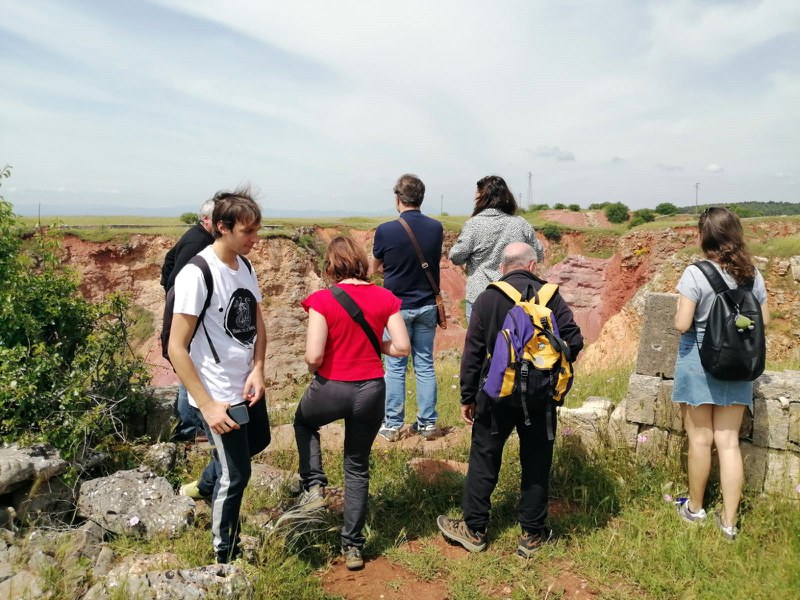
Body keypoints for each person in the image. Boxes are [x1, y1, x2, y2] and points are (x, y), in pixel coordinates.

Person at [436, 242, 583, 557]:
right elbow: (575, 340)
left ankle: (474, 529)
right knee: (537, 459)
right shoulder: (550, 296)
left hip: (496, 394)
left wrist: (467, 396)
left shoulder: (489, 298)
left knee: (484, 456)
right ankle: (532, 534)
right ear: (532, 266)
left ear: (503, 268)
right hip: (540, 398)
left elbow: (473, 351)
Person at [293, 236, 410, 570]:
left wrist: (314, 364)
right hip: (371, 390)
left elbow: (314, 356)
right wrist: (376, 346)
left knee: (304, 422)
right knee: (357, 466)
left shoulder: (322, 300)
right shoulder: (385, 297)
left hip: (332, 386)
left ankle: (314, 483)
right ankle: (353, 547)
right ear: (360, 262)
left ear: (330, 266)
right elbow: (401, 347)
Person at [169, 188, 270, 564]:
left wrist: (259, 368)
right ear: (223, 228)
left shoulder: (244, 267)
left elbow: (258, 321)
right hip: (219, 394)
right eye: (248, 232)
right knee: (237, 475)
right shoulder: (197, 272)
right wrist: (208, 406)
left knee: (258, 440)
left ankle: (203, 486)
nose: (255, 240)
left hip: (246, 384)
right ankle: (224, 556)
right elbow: (177, 347)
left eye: (257, 230)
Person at [672, 206, 769, 540]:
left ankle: (695, 509)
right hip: (738, 363)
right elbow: (764, 322)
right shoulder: (752, 275)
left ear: (704, 236)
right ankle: (729, 523)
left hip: (699, 359)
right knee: (728, 442)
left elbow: (682, 323)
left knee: (700, 438)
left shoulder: (695, 274)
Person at [372, 174, 444, 441]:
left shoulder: (385, 230)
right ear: (421, 198)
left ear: (397, 199)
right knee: (425, 365)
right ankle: (427, 424)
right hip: (427, 306)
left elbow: (374, 267)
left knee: (395, 367)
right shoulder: (436, 228)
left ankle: (392, 425)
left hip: (395, 309)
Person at [449, 175, 545, 322]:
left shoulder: (474, 224)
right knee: (514, 343)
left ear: (482, 198)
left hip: (480, 297)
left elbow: (456, 256)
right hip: (515, 297)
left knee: (480, 344)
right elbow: (538, 253)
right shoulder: (520, 224)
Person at [161, 199, 215, 441]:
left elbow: (168, 261)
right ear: (206, 220)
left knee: (189, 363)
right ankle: (189, 428)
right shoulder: (199, 241)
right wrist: (183, 304)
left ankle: (191, 426)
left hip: (184, 307)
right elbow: (179, 276)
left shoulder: (198, 236)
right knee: (187, 364)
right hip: (185, 309)